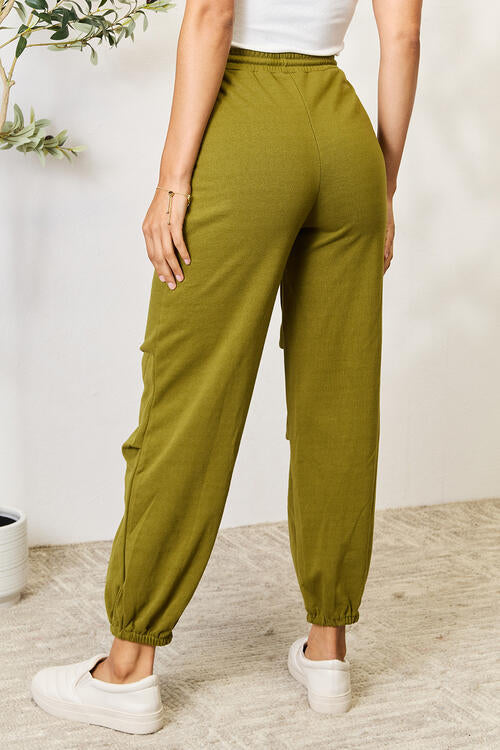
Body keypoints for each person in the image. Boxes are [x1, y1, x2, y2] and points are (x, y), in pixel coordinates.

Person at [31, 0, 422, 734]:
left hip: (245, 127)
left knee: (189, 399)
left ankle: (128, 667)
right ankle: (329, 650)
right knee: (337, 403)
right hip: (345, 140)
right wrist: (383, 186)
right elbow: (402, 35)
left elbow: (212, 14)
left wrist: (173, 180)